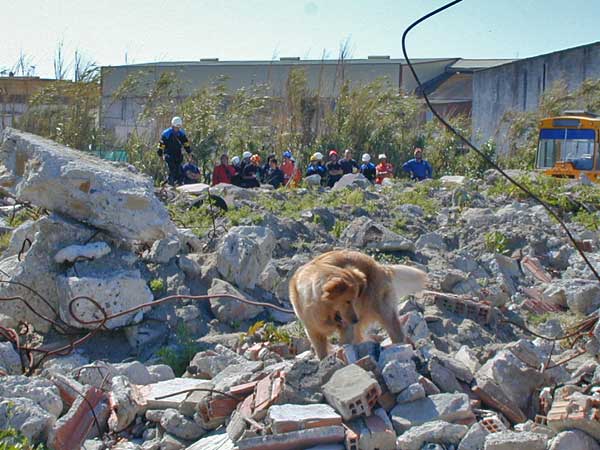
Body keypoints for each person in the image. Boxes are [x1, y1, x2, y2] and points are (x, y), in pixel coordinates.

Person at [157, 116, 192, 186]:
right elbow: (161, 145)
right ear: (172, 126)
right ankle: (170, 184)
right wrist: (160, 155)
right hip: (169, 155)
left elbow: (186, 143)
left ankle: (178, 184)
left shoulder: (181, 134)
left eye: (178, 128)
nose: (177, 129)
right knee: (172, 170)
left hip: (178, 155)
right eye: (176, 127)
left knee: (179, 172)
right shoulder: (166, 134)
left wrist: (189, 152)